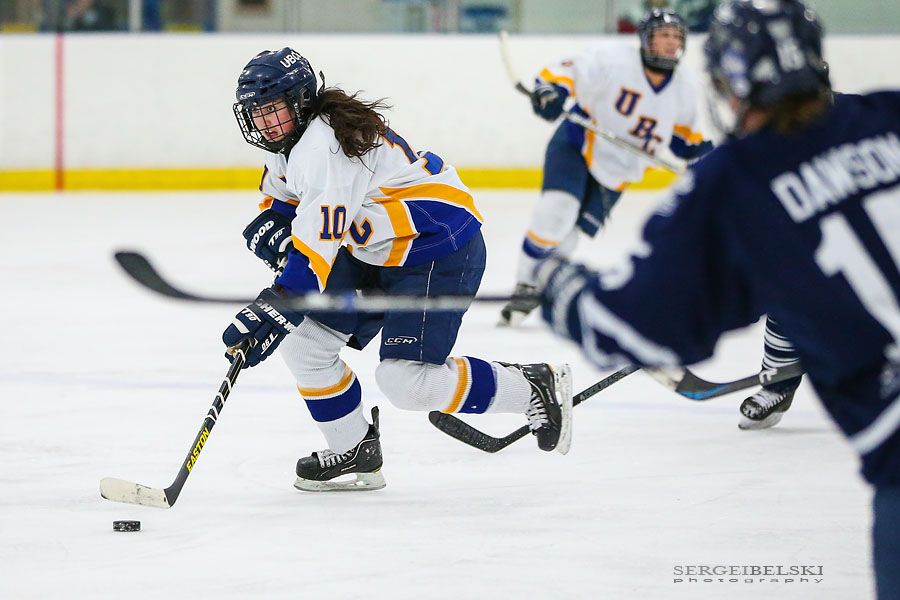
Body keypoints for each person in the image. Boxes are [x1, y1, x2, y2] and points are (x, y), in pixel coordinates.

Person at [536, 1, 899, 596]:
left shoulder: (733, 187)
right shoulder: (888, 113)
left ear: (731, 82)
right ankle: (783, 359)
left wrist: (566, 292)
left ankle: (783, 363)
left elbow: (642, 330)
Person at [222, 48, 574, 492]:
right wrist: (274, 226)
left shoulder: (322, 146)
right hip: (375, 248)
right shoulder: (289, 147)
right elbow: (286, 202)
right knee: (306, 345)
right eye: (257, 113)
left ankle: (531, 387)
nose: (266, 123)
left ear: (301, 101)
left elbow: (313, 253)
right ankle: (354, 450)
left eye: (274, 110)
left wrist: (278, 302)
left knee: (406, 383)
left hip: (434, 247)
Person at [498, 8, 713, 327]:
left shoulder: (685, 86)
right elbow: (565, 72)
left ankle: (542, 282)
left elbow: (685, 139)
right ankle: (524, 284)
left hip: (621, 169)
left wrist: (704, 159)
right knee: (557, 210)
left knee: (571, 236)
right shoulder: (614, 61)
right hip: (578, 143)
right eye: (663, 36)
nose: (670, 43)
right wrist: (551, 92)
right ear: (645, 40)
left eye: (676, 37)